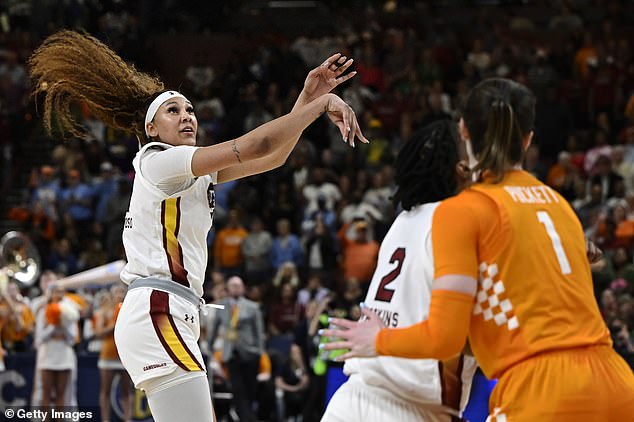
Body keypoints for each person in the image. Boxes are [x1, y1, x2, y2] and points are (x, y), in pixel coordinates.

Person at [29, 30, 367, 422]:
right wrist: (322, 103)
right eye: (173, 110)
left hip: (171, 310)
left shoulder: (191, 172)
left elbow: (273, 157)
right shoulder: (158, 160)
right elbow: (254, 145)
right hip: (159, 309)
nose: (187, 116)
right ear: (151, 129)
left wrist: (307, 97)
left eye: (190, 110)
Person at [323, 78, 634, 421]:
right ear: (529, 140)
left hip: (530, 389)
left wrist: (381, 338)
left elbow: (448, 334)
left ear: (465, 131)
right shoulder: (556, 204)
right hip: (613, 380)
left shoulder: (427, 218)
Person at [322, 120, 477, 422]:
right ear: (461, 168)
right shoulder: (458, 224)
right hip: (413, 406)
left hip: (354, 396)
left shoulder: (403, 220)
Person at [209, 276, 265, 422]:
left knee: (250, 390)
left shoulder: (253, 306)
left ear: (243, 288)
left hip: (250, 353)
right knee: (238, 389)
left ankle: (247, 416)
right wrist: (209, 347)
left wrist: (259, 351)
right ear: (228, 288)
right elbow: (214, 329)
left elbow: (259, 331)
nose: (235, 288)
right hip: (230, 354)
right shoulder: (222, 306)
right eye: (233, 285)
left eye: (238, 285)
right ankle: (248, 419)